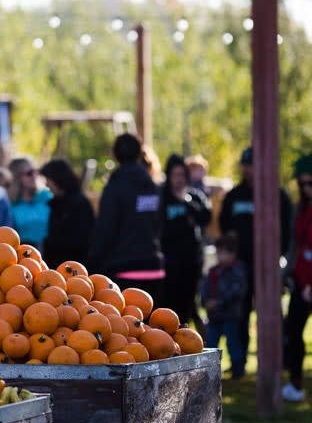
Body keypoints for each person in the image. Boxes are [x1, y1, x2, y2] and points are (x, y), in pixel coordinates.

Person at [217, 146, 293, 365]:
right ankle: (239, 362)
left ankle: (277, 358)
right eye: (246, 165)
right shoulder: (234, 196)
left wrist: (280, 260)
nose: (249, 170)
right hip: (239, 266)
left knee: (270, 312)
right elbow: (224, 227)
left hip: (268, 266)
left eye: (253, 166)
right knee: (238, 314)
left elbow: (287, 231)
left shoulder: (276, 195)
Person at [89, 134, 164, 301]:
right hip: (153, 266)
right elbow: (159, 224)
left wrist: (93, 262)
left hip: (123, 269)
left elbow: (105, 229)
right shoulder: (152, 186)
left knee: (126, 325)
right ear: (140, 153)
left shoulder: (115, 187)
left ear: (115, 155)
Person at [160, 154, 211, 334]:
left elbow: (206, 217)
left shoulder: (194, 196)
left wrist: (186, 203)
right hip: (169, 263)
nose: (179, 179)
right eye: (175, 175)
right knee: (169, 309)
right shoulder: (162, 197)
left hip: (191, 262)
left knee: (187, 308)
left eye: (182, 175)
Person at [283, 153, 312, 402]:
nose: (306, 188)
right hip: (300, 281)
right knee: (293, 332)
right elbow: (296, 246)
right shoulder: (300, 209)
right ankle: (295, 382)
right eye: (302, 184)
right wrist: (287, 275)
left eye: (310, 183)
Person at [200, 234, 248, 380]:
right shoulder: (213, 271)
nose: (221, 257)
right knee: (211, 344)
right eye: (218, 253)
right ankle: (211, 370)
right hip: (214, 316)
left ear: (233, 254)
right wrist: (206, 301)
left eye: (224, 253)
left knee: (233, 343)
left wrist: (218, 303)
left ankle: (237, 369)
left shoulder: (238, 271)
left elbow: (237, 292)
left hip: (230, 315)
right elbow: (205, 289)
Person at [39, 159, 96, 270]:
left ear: (57, 179)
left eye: (48, 180)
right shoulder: (54, 203)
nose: (47, 184)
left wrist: (50, 243)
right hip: (55, 266)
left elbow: (82, 239)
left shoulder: (79, 204)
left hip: (74, 267)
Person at [8, 156, 53, 248]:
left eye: (35, 171)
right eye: (29, 173)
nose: (34, 176)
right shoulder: (11, 204)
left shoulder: (46, 197)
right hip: (25, 253)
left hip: (51, 252)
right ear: (17, 177)